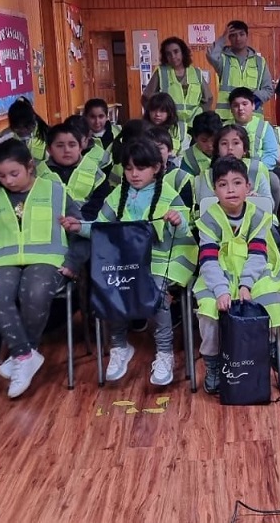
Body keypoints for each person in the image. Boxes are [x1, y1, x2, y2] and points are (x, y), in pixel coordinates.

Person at [61, 140, 196, 385]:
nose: (134, 174)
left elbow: (185, 230)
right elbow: (102, 228)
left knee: (156, 292)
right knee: (114, 286)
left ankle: (164, 353)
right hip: (127, 261)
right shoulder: (118, 195)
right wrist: (79, 226)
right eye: (129, 168)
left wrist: (177, 220)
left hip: (162, 260)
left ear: (156, 168)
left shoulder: (168, 194)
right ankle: (119, 346)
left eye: (141, 168)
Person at [0, 139, 86, 398]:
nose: (7, 180)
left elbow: (80, 228)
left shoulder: (55, 191)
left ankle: (22, 355)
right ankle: (24, 355)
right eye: (1, 175)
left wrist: (73, 262)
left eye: (13, 173)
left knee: (35, 290)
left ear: (30, 166)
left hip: (48, 260)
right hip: (1, 262)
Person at [194, 156, 280, 394]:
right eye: (223, 184)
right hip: (218, 275)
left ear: (248, 187)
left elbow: (258, 255)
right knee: (208, 309)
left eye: (237, 183)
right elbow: (208, 260)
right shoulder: (208, 219)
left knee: (270, 294)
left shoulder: (259, 216)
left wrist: (246, 285)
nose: (230, 190)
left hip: (253, 271)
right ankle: (213, 365)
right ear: (214, 190)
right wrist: (221, 290)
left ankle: (271, 346)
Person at [192, 124, 273, 212]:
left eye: (236, 143)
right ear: (217, 150)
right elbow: (204, 205)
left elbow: (270, 204)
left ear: (245, 149)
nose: (230, 148)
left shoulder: (257, 168)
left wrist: (257, 199)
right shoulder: (207, 175)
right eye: (224, 144)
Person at [207, 20, 274, 119]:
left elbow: (268, 89)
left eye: (241, 34)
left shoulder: (259, 62)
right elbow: (211, 55)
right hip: (227, 117)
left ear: (247, 36)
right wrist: (222, 39)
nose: (238, 38)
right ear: (229, 38)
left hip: (253, 118)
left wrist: (251, 99)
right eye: (233, 35)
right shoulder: (223, 59)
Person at [35, 123, 112, 205]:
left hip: (86, 217)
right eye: (60, 146)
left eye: (72, 145)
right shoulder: (37, 173)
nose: (67, 150)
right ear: (49, 149)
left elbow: (102, 202)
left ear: (80, 148)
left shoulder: (94, 172)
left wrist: (81, 217)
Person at [143, 36, 213, 123]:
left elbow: (208, 99)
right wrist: (156, 118)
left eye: (176, 52)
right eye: (168, 54)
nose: (173, 56)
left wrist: (200, 113)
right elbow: (145, 98)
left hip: (193, 125)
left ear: (183, 52)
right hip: (169, 125)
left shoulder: (196, 73)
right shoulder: (161, 73)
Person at [0, 96, 49, 162]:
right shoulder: (5, 135)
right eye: (18, 128)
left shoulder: (45, 133)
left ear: (33, 121)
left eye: (26, 127)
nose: (22, 131)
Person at [143, 92, 189, 156]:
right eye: (153, 110)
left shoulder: (180, 128)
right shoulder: (141, 128)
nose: (157, 114)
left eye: (162, 111)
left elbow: (183, 154)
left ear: (169, 112)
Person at [181, 111, 220, 176]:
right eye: (204, 141)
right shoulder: (186, 159)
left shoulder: (226, 151)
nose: (210, 145)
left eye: (214, 140)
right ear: (195, 138)